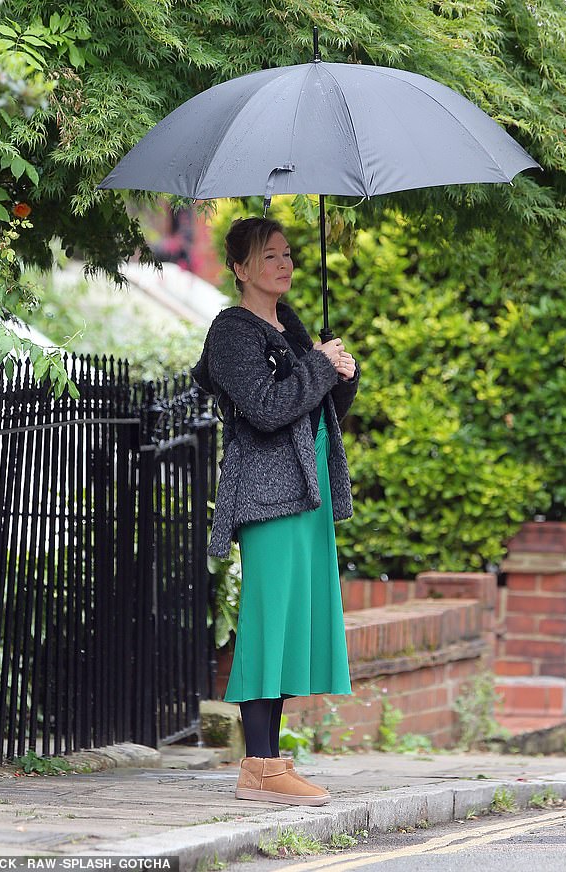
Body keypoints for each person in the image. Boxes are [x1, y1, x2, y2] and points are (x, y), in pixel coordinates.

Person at [191, 217, 359, 806]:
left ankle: (271, 762)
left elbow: (313, 407)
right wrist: (316, 366)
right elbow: (265, 409)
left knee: (290, 624)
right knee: (267, 622)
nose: (284, 265)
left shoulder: (289, 325)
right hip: (267, 491)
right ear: (240, 268)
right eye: (269, 256)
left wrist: (340, 375)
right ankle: (258, 766)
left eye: (287, 255)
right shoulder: (232, 333)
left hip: (306, 486)